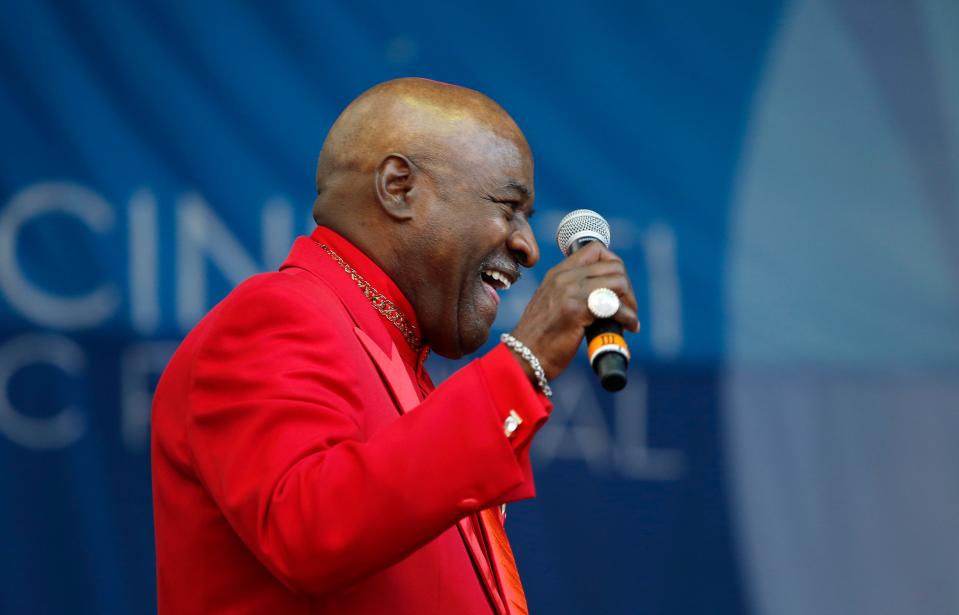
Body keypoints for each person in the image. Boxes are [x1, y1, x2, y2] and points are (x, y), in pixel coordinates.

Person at [151, 77, 640, 614]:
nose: (526, 247)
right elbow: (309, 530)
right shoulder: (276, 314)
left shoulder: (399, 360)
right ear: (399, 187)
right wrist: (523, 363)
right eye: (508, 206)